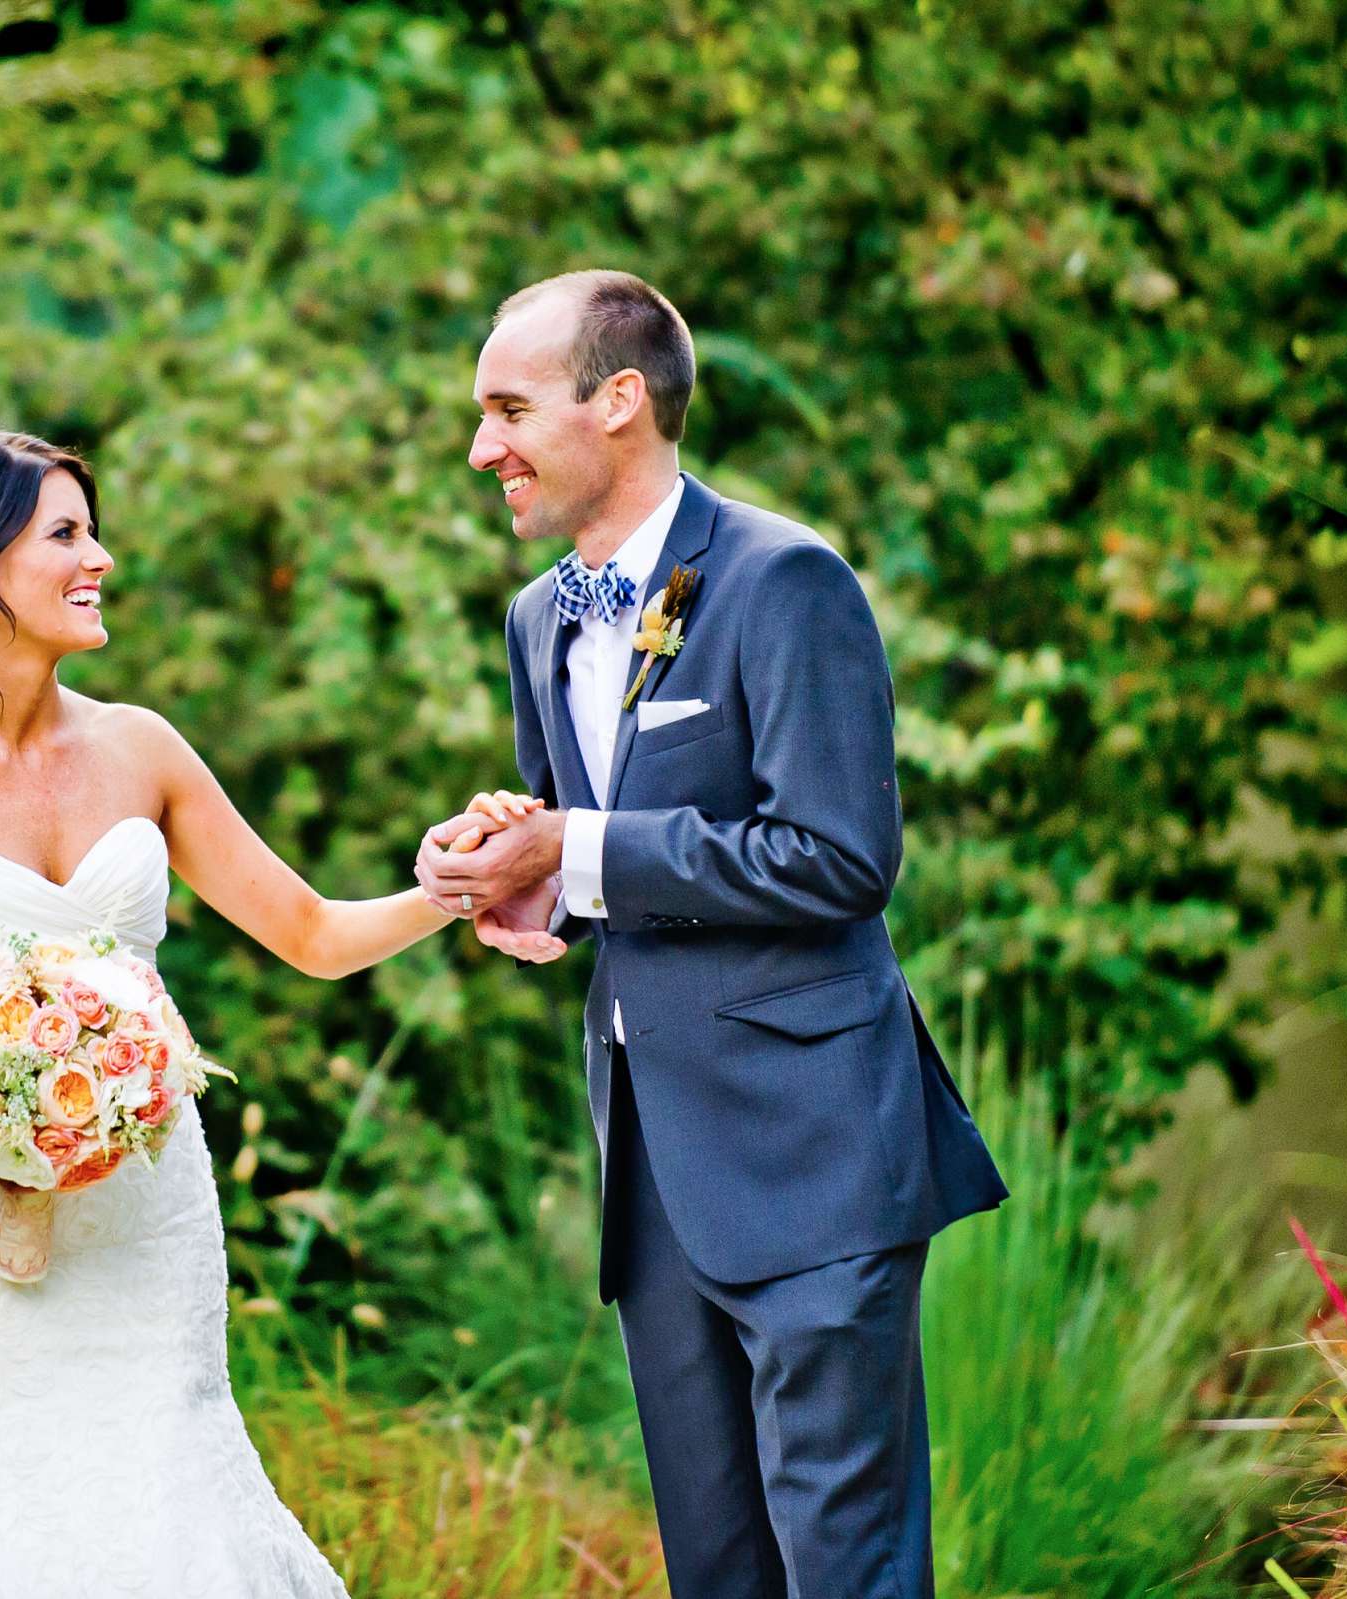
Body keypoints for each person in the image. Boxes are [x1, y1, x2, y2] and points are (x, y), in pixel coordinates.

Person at [0, 428, 544, 1595]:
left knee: (165, 1488)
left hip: (147, 1214)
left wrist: (451, 883)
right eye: (65, 534)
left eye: (93, 530)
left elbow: (314, 936)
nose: (102, 558)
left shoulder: (141, 749)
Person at [415, 269, 1010, 1599]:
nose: (481, 447)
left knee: (844, 1566)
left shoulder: (787, 580)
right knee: (717, 1568)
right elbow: (602, 856)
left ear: (620, 400)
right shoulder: (534, 617)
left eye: (508, 408)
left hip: (813, 1154)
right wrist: (526, 884)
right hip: (655, 1175)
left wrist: (576, 849)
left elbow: (839, 857)